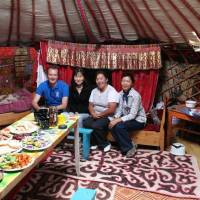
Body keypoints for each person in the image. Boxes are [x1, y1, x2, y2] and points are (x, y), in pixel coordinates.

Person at [109, 73, 146, 157]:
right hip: (127, 119)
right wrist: (114, 118)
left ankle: (129, 148)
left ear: (132, 83)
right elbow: (119, 110)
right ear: (121, 82)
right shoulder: (120, 94)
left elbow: (133, 115)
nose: (125, 83)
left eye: (127, 81)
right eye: (123, 81)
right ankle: (130, 144)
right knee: (112, 125)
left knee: (119, 126)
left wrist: (118, 120)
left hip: (138, 120)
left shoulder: (136, 96)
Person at [83, 71, 119, 152]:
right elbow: (90, 105)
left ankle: (105, 143)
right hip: (95, 114)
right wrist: (92, 113)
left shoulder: (111, 91)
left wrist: (99, 115)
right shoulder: (94, 91)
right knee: (86, 123)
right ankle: (93, 142)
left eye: (101, 78)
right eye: (97, 79)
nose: (99, 81)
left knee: (96, 125)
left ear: (106, 79)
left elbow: (112, 109)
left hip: (107, 116)